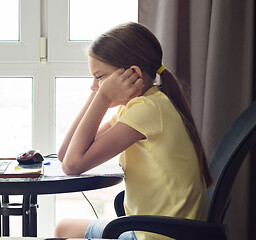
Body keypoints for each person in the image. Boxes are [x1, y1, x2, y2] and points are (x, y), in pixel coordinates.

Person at [54, 22, 212, 240]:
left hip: (160, 235)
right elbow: (65, 154)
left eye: (99, 76)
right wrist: (98, 92)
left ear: (133, 73)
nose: (94, 85)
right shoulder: (145, 103)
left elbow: (72, 165)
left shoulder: (147, 109)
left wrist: (103, 97)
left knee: (64, 229)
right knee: (65, 228)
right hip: (158, 230)